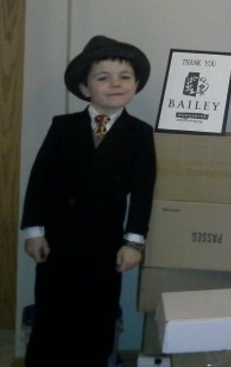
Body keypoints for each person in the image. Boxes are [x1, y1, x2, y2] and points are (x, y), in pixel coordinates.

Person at [20, 35, 157, 366]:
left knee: (97, 315)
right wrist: (34, 231)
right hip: (57, 241)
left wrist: (134, 243)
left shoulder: (139, 133)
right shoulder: (63, 127)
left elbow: (143, 191)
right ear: (85, 88)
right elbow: (39, 180)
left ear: (136, 86)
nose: (115, 84)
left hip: (105, 244)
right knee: (52, 312)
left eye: (125, 77)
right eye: (103, 77)